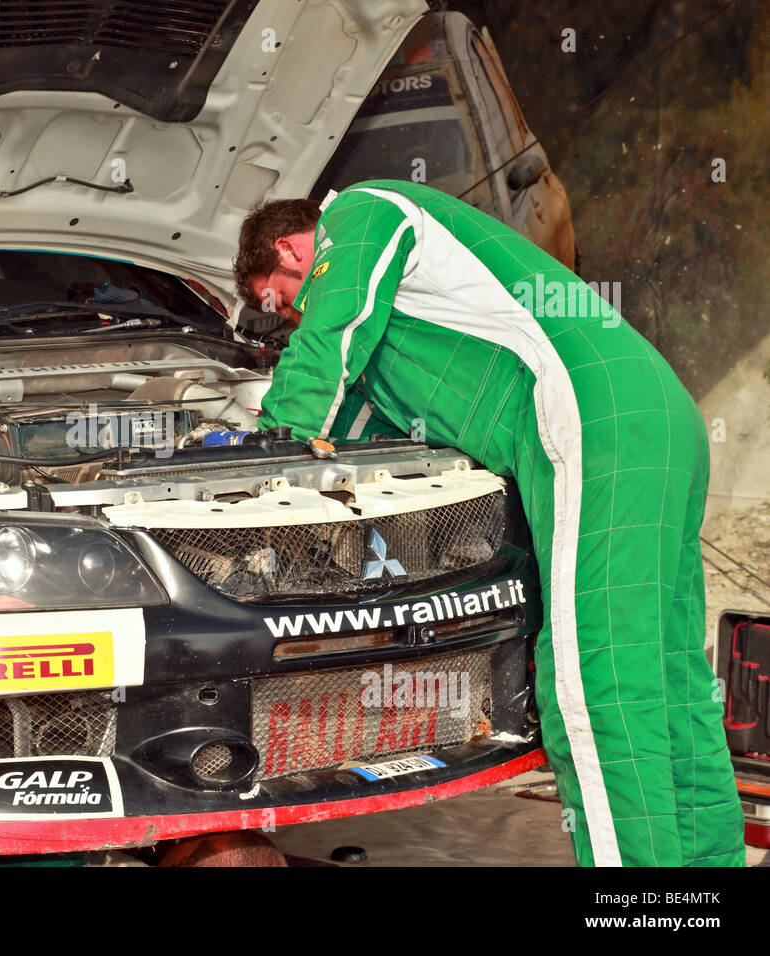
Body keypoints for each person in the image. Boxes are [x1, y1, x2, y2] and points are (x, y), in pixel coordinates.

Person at [233, 180, 745, 867]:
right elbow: (367, 437)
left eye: (289, 301)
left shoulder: (360, 210)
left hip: (595, 423)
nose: (297, 321)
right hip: (656, 420)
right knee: (670, 675)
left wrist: (269, 448)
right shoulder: (399, 336)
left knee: (596, 686)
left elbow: (331, 338)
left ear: (296, 247)